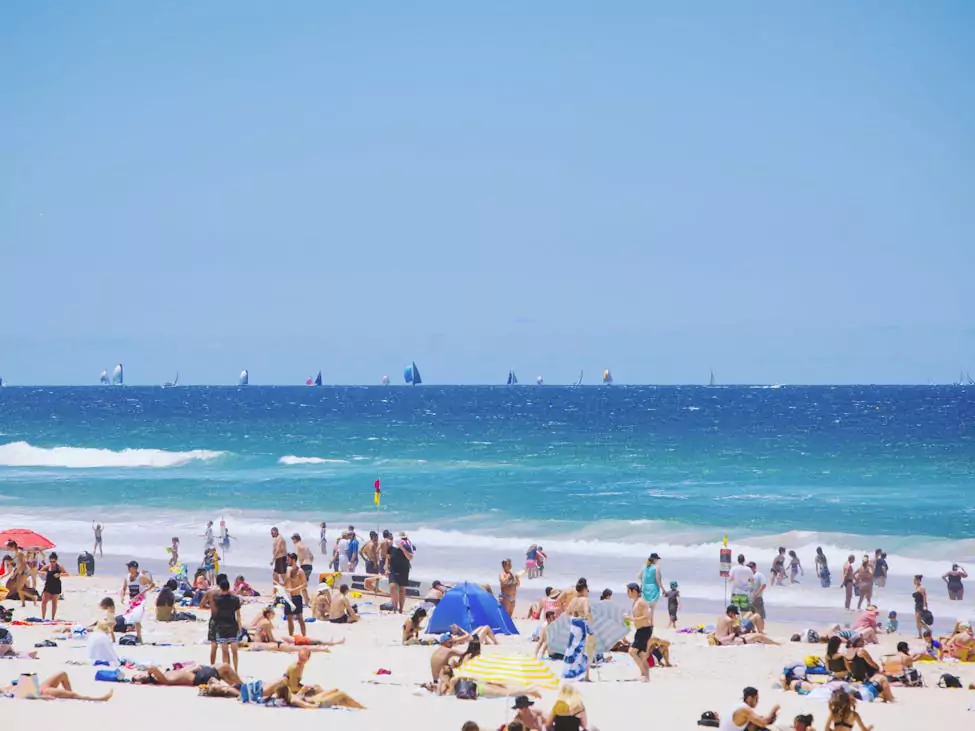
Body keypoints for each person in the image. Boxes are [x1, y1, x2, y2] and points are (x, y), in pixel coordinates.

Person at [2, 672, 113, 702]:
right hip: (36, 691)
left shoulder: (5, 690)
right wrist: (42, 698)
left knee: (62, 674)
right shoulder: (7, 692)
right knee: (73, 695)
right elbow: (21, 695)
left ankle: (70, 695)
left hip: (32, 685)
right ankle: (99, 699)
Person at [213, 576, 242, 671]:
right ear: (229, 587)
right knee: (235, 651)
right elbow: (238, 615)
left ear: (220, 588)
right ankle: (236, 670)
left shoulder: (217, 600)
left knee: (225, 651)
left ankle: (227, 670)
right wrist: (240, 627)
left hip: (222, 626)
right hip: (233, 626)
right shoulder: (235, 599)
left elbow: (215, 613)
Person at [624, 582, 652, 682]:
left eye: (628, 591)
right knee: (641, 654)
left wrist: (632, 619)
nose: (627, 593)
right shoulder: (636, 601)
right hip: (640, 630)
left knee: (632, 652)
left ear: (634, 591)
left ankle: (644, 674)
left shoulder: (641, 602)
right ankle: (645, 676)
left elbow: (646, 616)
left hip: (645, 630)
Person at [132, 663, 242, 688]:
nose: (140, 675)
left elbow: (181, 673)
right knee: (225, 667)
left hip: (196, 673)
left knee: (224, 674)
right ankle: (242, 686)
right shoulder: (161, 680)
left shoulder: (161, 676)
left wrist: (192, 668)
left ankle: (239, 687)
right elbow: (153, 667)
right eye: (139, 676)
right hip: (199, 678)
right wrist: (148, 673)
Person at [279, 553, 308, 637]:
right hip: (288, 597)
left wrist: (293, 589)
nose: (287, 561)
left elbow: (305, 584)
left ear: (293, 560)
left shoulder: (300, 571)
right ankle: (291, 636)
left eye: (288, 559)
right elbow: (285, 583)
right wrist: (280, 585)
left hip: (297, 596)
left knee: (300, 618)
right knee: (289, 618)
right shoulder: (288, 569)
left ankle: (304, 636)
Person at [387, 533, 414, 614]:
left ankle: (401, 609)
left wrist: (402, 548)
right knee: (392, 586)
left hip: (404, 570)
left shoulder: (408, 547)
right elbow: (388, 557)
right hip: (393, 569)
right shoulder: (391, 547)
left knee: (402, 589)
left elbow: (410, 557)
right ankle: (395, 607)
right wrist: (386, 567)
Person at [40, 552, 67, 620]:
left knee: (54, 603)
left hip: (56, 586)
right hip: (48, 585)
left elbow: (66, 573)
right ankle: (43, 617)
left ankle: (52, 618)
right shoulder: (47, 567)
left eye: (53, 561)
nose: (52, 563)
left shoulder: (59, 566)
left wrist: (59, 574)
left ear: (56, 560)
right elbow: (39, 571)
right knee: (44, 602)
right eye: (51, 561)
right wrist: (44, 573)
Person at [5, 541, 32, 607]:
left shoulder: (19, 553)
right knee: (19, 589)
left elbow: (21, 565)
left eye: (9, 547)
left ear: (13, 546)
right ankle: (23, 603)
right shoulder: (17, 553)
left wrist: (14, 574)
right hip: (21, 571)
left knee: (19, 589)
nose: (9, 549)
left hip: (24, 571)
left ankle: (32, 597)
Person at [639, 553, 663, 623]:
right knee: (651, 608)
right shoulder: (656, 567)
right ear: (655, 559)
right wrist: (663, 589)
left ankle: (646, 621)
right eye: (657, 559)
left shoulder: (644, 566)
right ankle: (650, 623)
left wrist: (644, 583)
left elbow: (639, 576)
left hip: (645, 587)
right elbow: (658, 580)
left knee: (646, 606)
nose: (657, 561)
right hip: (653, 588)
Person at [292, 533, 314, 602]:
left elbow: (295, 556)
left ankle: (306, 601)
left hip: (304, 566)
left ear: (295, 539)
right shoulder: (305, 546)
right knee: (303, 584)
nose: (293, 541)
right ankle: (307, 599)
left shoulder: (297, 545)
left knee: (301, 584)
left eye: (293, 540)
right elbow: (312, 557)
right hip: (309, 566)